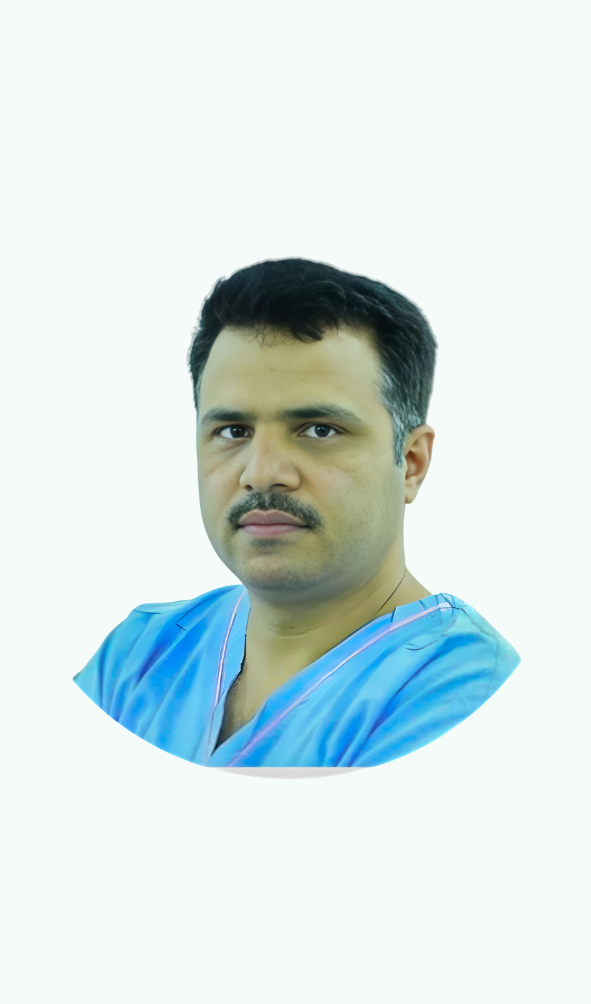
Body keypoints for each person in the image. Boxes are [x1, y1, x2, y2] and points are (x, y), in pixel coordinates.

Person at [74, 258, 520, 769]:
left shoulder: (470, 695)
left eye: (319, 429)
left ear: (411, 463)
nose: (261, 473)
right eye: (233, 431)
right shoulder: (138, 653)